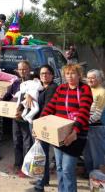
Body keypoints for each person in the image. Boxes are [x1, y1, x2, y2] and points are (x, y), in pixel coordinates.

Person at [40, 63, 93, 192]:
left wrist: (74, 132)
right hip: (59, 133)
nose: (70, 76)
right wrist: (40, 123)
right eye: (67, 74)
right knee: (59, 168)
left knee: (68, 169)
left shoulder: (84, 89)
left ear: (79, 75)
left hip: (76, 135)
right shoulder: (61, 88)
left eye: (73, 73)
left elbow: (84, 112)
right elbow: (51, 107)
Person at [30, 64, 58, 192]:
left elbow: (47, 108)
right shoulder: (41, 87)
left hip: (44, 124)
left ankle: (40, 185)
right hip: (39, 122)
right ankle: (44, 179)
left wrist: (38, 125)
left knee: (41, 154)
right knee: (43, 152)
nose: (44, 75)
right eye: (42, 73)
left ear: (52, 75)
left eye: (47, 73)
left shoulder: (52, 88)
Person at [3, 60, 33, 177]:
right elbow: (8, 95)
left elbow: (35, 99)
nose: (22, 71)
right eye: (20, 69)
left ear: (29, 69)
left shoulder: (34, 82)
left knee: (27, 142)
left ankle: (26, 167)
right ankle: (17, 164)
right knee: (16, 141)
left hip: (26, 117)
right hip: (15, 116)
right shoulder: (16, 82)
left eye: (24, 69)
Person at [83, 69, 105, 176]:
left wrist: (84, 122)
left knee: (97, 153)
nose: (90, 79)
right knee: (87, 152)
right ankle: (89, 174)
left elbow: (97, 114)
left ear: (99, 79)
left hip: (96, 127)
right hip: (86, 125)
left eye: (93, 77)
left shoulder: (102, 92)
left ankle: (98, 177)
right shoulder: (87, 90)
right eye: (88, 77)